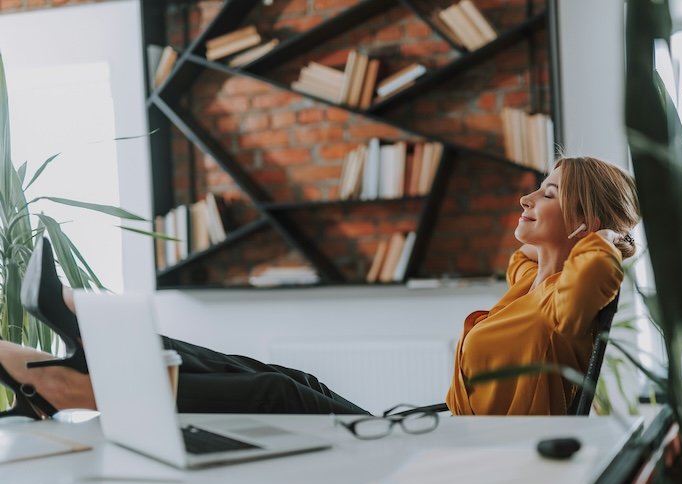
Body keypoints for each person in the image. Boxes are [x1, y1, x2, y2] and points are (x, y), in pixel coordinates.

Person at [0, 156, 639, 419]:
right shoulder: (530, 285)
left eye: (548, 192)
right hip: (431, 429)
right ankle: (83, 335)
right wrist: (570, 232)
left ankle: (76, 384)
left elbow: (592, 279)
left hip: (457, 456)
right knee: (280, 373)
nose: (527, 197)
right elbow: (529, 267)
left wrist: (603, 239)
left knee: (277, 393)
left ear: (584, 220)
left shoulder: (581, 288)